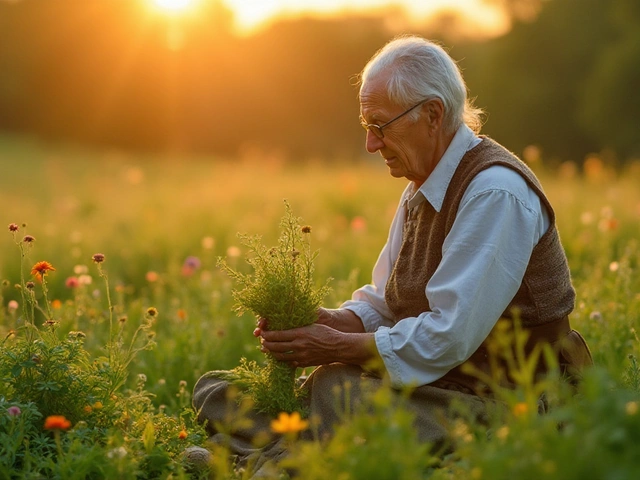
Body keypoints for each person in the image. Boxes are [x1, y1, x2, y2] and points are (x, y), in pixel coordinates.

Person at [191, 34, 592, 471]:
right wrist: (328, 321)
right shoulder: (421, 186)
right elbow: (386, 301)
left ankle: (265, 462)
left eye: (379, 126)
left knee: (337, 390)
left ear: (433, 115)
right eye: (367, 128)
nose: (371, 144)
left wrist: (336, 347)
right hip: (436, 388)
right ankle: (284, 454)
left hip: (505, 403)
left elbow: (448, 336)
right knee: (216, 390)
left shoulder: (494, 193)